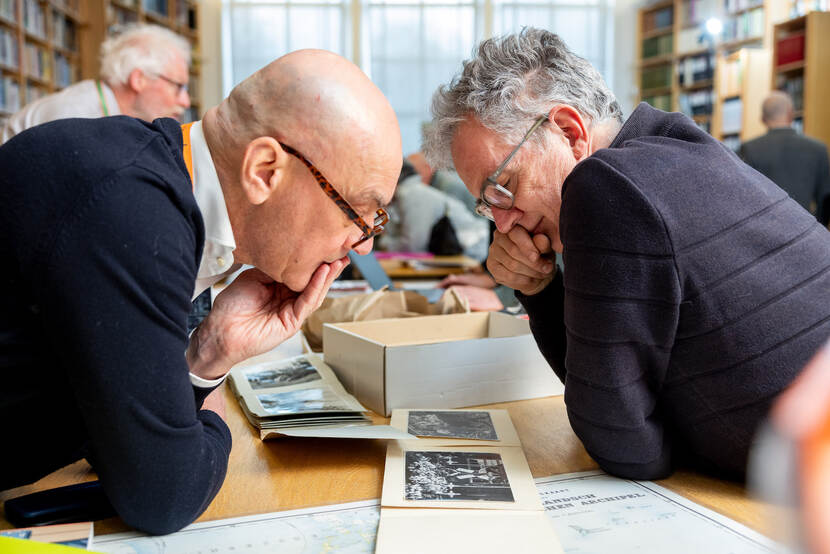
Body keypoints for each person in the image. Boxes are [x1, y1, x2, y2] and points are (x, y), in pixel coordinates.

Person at [0, 49, 401, 534]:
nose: (363, 245)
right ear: (265, 171)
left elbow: (116, 436)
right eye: (360, 213)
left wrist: (212, 353)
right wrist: (213, 426)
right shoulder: (131, 209)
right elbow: (162, 495)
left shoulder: (166, 198)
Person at [423, 28, 830, 481]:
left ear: (568, 131)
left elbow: (626, 448)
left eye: (504, 188)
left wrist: (540, 294)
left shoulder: (605, 186)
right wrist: (537, 287)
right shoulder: (674, 145)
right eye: (486, 204)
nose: (503, 224)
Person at [1, 24, 192, 143]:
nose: (186, 101)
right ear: (138, 80)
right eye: (178, 87)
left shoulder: (108, 114)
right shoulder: (75, 115)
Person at [739, 91, 830, 225]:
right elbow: (826, 199)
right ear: (791, 114)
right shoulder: (818, 149)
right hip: (805, 230)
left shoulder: (749, 149)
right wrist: (816, 228)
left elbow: (744, 197)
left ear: (763, 118)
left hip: (765, 232)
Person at [380, 159, 490, 261]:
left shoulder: (413, 194)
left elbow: (414, 246)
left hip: (474, 253)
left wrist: (384, 242)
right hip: (461, 252)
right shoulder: (407, 195)